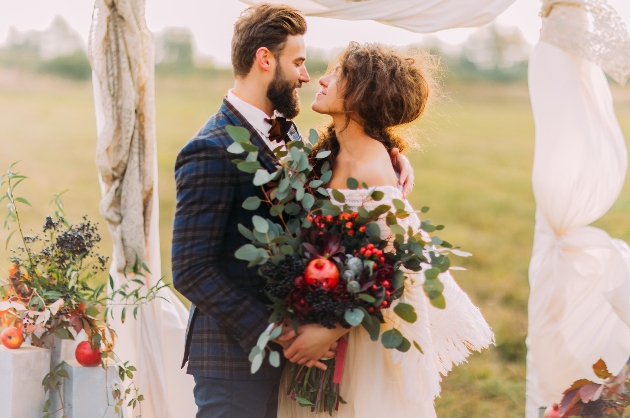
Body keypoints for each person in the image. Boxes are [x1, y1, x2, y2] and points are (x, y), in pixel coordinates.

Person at [171, 5, 414, 418]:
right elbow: (191, 269)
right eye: (298, 62)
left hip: (295, 354)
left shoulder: (289, 130)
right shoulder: (208, 149)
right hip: (235, 359)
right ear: (265, 59)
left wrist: (390, 157)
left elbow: (334, 179)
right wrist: (280, 333)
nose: (306, 75)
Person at [275, 42, 495, 417]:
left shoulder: (374, 169)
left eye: (337, 74)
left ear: (362, 95)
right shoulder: (328, 155)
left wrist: (327, 332)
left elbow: (395, 266)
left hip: (355, 338)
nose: (322, 79)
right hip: (319, 320)